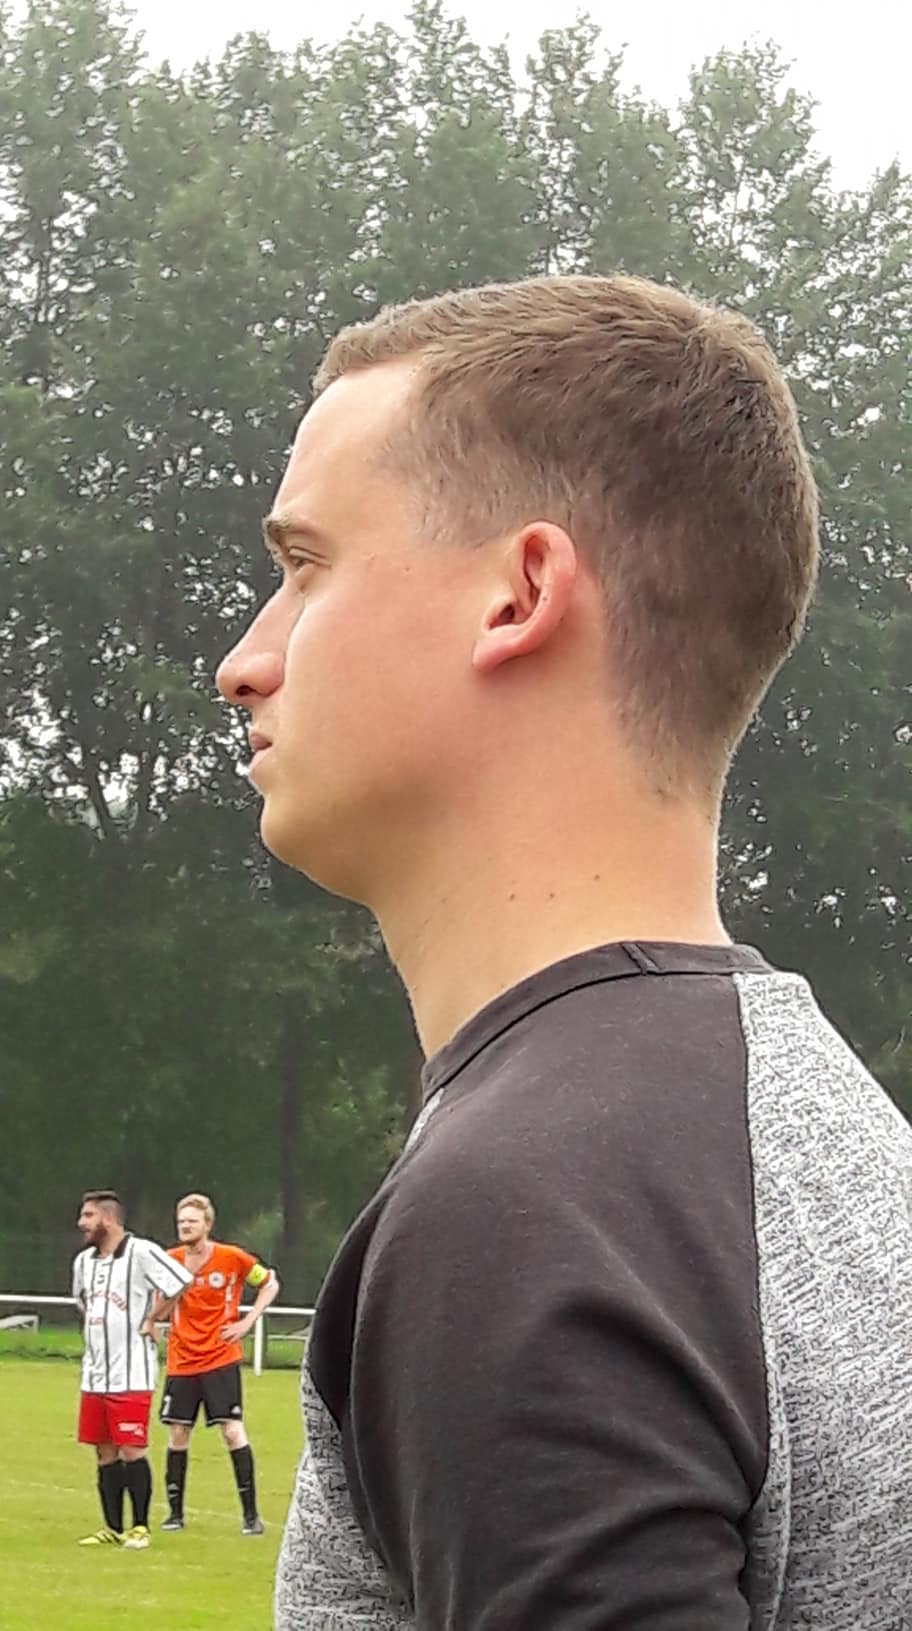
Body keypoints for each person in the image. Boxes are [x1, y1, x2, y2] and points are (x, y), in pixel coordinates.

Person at [216, 275, 912, 1629]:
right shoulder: (814, 1135)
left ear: (519, 593)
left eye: (306, 566)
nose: (246, 659)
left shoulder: (529, 1212)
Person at [152, 1192, 279, 1535]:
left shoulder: (232, 1257)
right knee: (178, 1432)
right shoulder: (170, 1260)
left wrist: (248, 1321)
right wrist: (175, 1290)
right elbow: (159, 1311)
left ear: (207, 1224)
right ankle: (175, 1514)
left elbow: (269, 1283)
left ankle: (251, 1517)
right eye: (181, 1221)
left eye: (192, 1221)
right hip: (182, 1360)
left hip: (220, 1357)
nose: (185, 1227)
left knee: (232, 1430)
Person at [72, 1188, 193, 1549]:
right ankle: (112, 1526)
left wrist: (153, 1318)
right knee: (104, 1451)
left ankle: (140, 1527)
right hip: (94, 1374)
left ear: (108, 1219)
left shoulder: (141, 1251)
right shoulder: (84, 1261)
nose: (81, 1223)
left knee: (131, 1449)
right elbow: (84, 1303)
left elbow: (180, 1282)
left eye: (88, 1216)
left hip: (131, 1373)